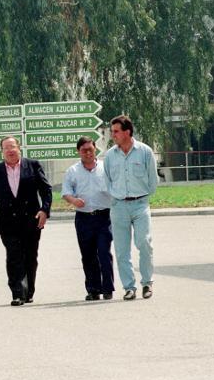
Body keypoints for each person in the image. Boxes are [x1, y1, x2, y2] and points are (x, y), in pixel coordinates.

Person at [0, 136, 52, 306]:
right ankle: (17, 292)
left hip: (31, 220)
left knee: (30, 257)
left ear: (19, 148)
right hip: (8, 222)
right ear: (2, 152)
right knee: (14, 256)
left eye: (12, 147)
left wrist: (45, 210)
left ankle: (29, 291)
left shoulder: (33, 165)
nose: (10, 150)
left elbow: (46, 189)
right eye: (6, 148)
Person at [103, 115, 158, 301]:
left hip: (140, 204)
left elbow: (153, 180)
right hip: (119, 206)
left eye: (116, 131)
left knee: (144, 242)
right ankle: (129, 287)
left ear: (127, 132)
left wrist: (142, 196)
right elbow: (108, 180)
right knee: (121, 249)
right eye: (112, 132)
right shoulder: (110, 155)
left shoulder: (144, 151)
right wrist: (117, 197)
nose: (113, 135)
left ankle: (147, 283)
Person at [61, 136, 115, 301]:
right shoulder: (73, 171)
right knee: (88, 254)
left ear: (95, 150)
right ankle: (93, 289)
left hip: (103, 216)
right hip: (84, 217)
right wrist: (74, 200)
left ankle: (107, 288)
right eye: (84, 150)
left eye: (90, 149)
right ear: (78, 151)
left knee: (104, 253)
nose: (88, 153)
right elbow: (66, 192)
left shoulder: (105, 168)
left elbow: (116, 186)